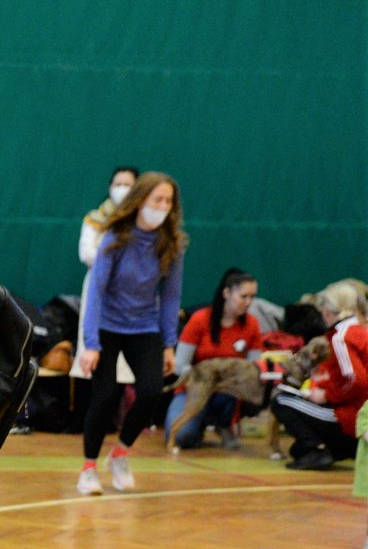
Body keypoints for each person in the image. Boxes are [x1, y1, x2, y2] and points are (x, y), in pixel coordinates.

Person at [76, 172, 187, 494]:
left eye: (168, 201)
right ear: (140, 201)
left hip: (145, 326)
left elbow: (170, 297)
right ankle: (88, 469)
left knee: (152, 391)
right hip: (107, 326)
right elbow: (96, 291)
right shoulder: (115, 237)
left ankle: (121, 453)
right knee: (106, 394)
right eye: (157, 200)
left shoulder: (172, 244)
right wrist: (91, 344)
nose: (162, 207)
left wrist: (169, 344)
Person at [272, 281, 368, 471]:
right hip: (357, 414)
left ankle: (319, 450)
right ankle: (336, 448)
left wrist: (327, 395)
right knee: (298, 450)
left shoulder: (342, 337)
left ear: (326, 311)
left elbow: (357, 380)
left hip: (352, 417)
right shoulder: (360, 332)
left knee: (281, 400)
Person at [166, 268, 259, 450]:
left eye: (252, 297)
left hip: (229, 393)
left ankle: (224, 424)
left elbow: (254, 367)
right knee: (181, 437)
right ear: (227, 293)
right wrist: (205, 376)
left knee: (256, 391)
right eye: (244, 296)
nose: (249, 302)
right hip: (195, 387)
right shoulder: (200, 319)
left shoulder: (252, 324)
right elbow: (179, 366)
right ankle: (198, 422)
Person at [74, 167, 139, 387]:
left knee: (126, 359)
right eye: (118, 184)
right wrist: (117, 261)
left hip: (131, 290)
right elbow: (86, 253)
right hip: (99, 285)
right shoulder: (95, 218)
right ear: (110, 188)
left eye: (128, 184)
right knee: (94, 345)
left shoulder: (143, 222)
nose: (122, 189)